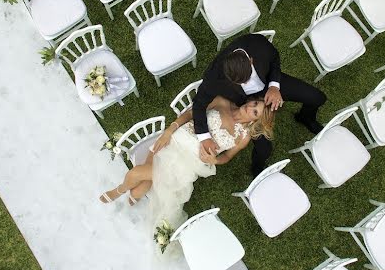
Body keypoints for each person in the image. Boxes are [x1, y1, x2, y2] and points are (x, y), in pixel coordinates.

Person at [99, 96, 274, 228]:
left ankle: (119, 190)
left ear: (255, 120)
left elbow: (227, 157)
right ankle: (130, 194)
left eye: (255, 111)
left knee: (136, 174)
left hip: (189, 161)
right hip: (175, 140)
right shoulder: (222, 101)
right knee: (141, 186)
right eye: (254, 103)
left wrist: (215, 160)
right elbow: (191, 113)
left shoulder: (243, 137)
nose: (250, 107)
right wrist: (169, 131)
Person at [193, 33, 326, 177]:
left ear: (251, 61)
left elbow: (274, 58)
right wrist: (204, 137)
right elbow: (199, 103)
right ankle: (257, 168)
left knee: (317, 97)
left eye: (246, 79)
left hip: (268, 84)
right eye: (238, 82)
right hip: (244, 102)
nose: (244, 84)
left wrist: (274, 86)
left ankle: (305, 117)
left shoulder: (258, 46)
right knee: (264, 149)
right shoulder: (214, 75)